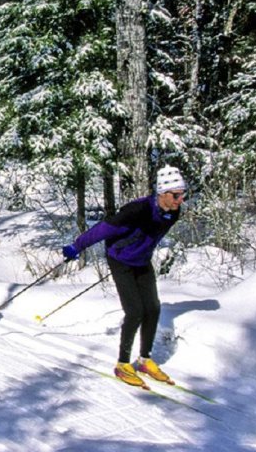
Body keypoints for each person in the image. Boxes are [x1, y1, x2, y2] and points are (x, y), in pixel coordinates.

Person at [62, 165, 187, 388]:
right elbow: (103, 229)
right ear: (162, 193)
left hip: (142, 260)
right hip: (119, 259)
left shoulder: (174, 212)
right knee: (135, 311)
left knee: (153, 308)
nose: (180, 200)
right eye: (176, 195)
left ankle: (145, 360)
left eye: (183, 194)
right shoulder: (136, 211)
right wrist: (76, 246)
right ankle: (122, 364)